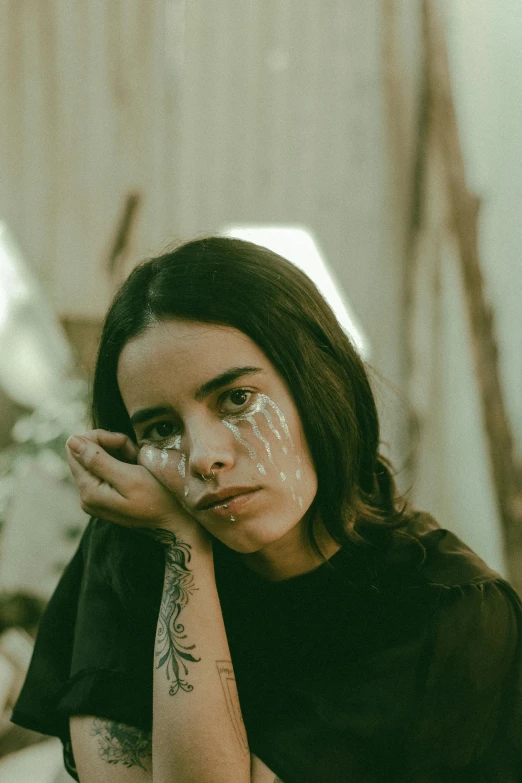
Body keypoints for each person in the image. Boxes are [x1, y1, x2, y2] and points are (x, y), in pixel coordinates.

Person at [11, 236, 522, 782]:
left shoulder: (448, 613)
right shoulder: (138, 537)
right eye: (162, 429)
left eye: (236, 399)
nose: (205, 457)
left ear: (318, 382)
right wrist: (184, 544)